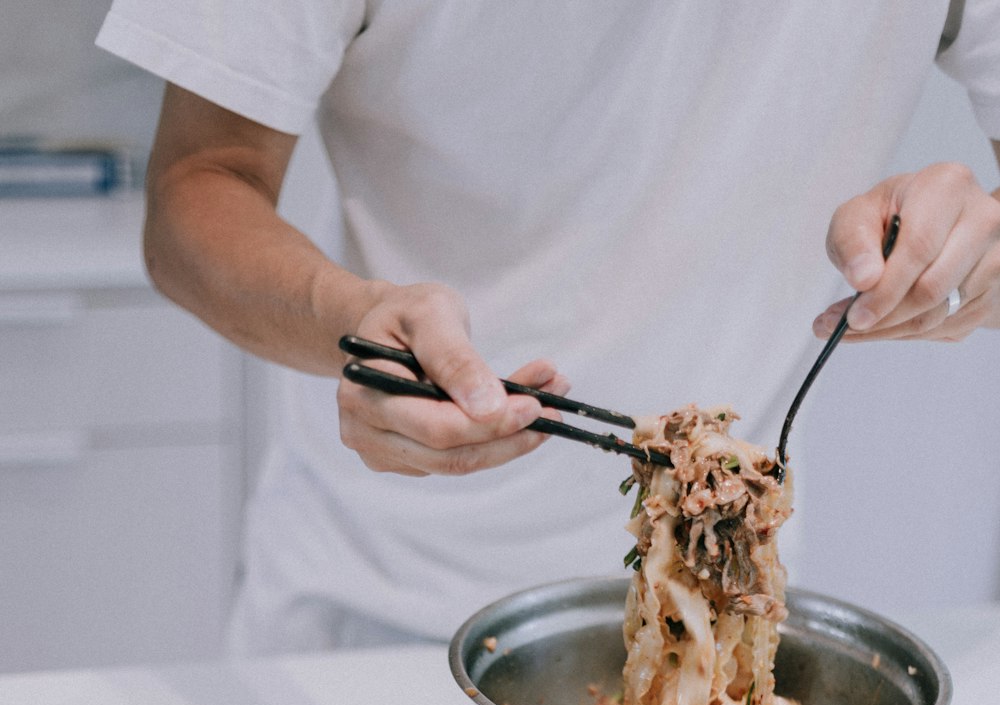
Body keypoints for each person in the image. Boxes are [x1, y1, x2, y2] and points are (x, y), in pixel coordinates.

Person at [96, 0, 1000, 653]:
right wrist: (351, 321)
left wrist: (974, 255)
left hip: (727, 602)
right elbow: (195, 194)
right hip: (374, 601)